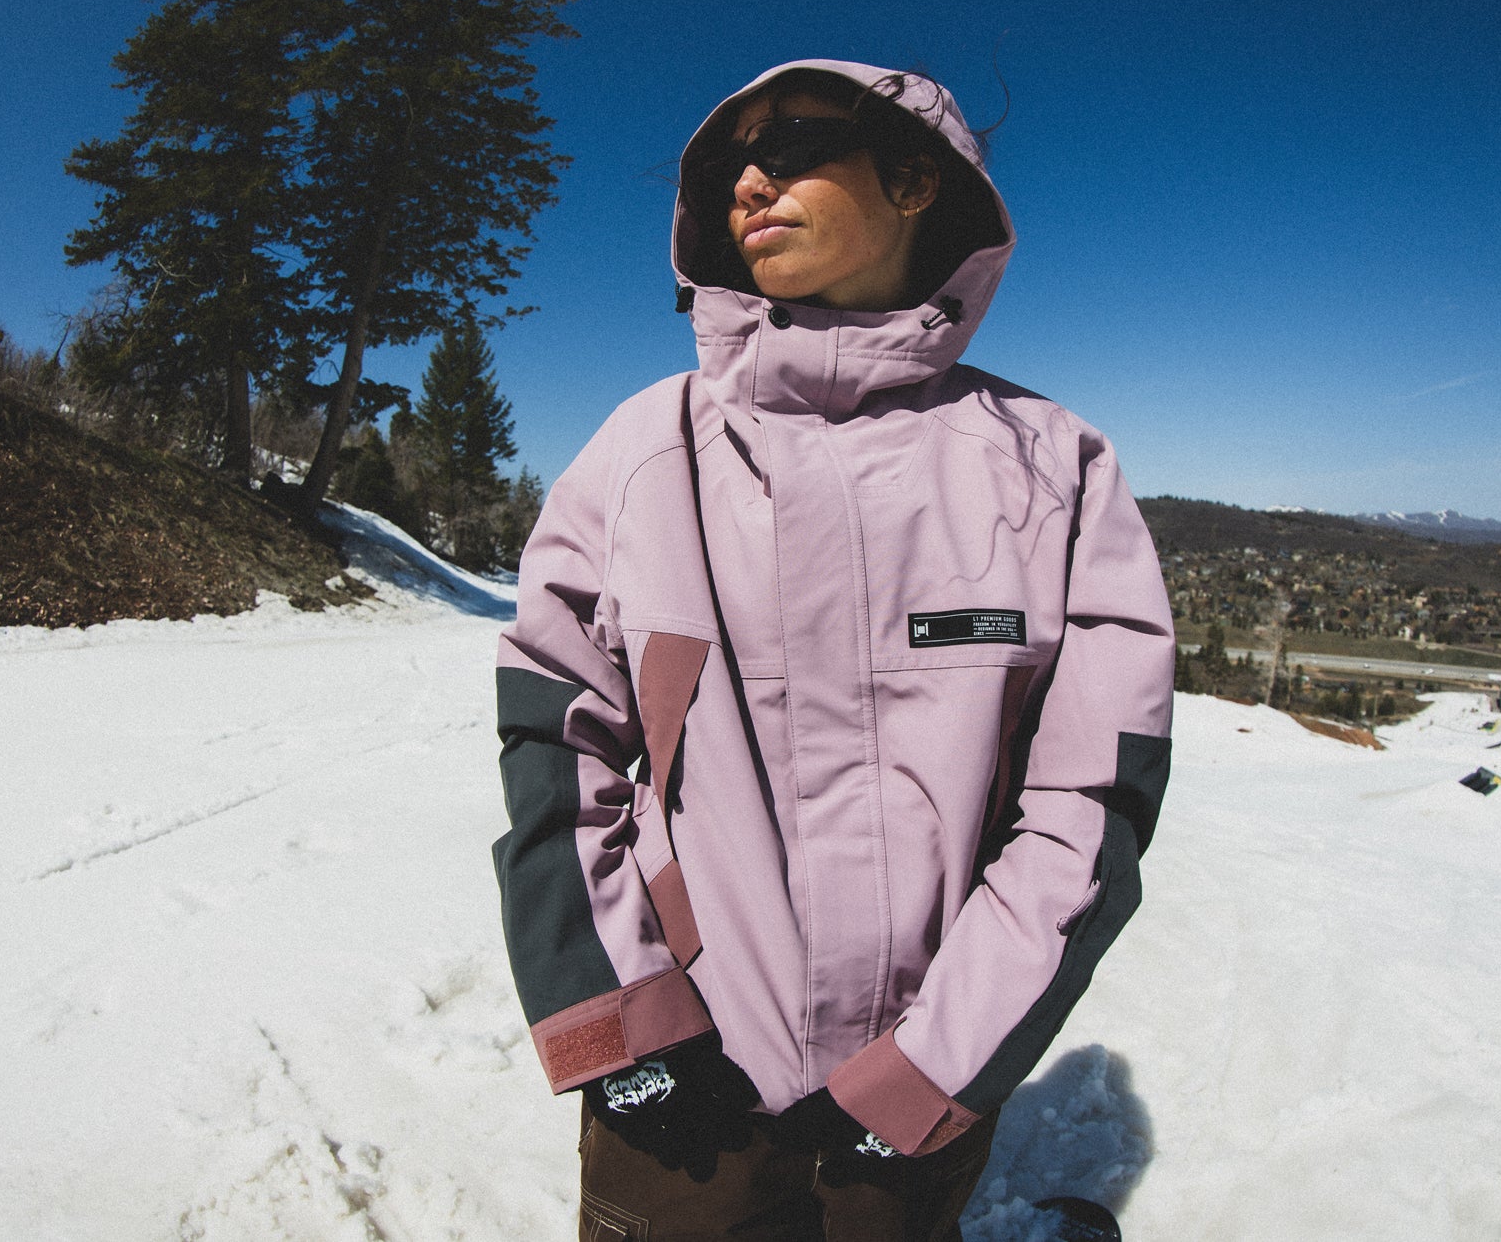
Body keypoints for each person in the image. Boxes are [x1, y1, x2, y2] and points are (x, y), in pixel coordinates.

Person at [494, 60, 1175, 1241]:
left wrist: (939, 1063)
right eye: (727, 164)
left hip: (920, 1097)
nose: (747, 183)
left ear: (914, 180)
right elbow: (557, 753)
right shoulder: (644, 451)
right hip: (687, 1092)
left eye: (794, 142)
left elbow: (1088, 806)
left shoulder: (1053, 469)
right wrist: (622, 1023)